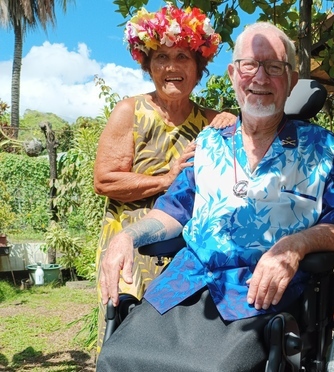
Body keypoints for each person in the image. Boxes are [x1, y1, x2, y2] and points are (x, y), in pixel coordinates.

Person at [97, 21, 334, 372]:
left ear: (291, 78)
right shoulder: (208, 144)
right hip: (183, 286)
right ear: (232, 73)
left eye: (274, 67)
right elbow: (174, 210)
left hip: (259, 295)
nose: (260, 78)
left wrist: (294, 246)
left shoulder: (323, 148)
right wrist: (127, 236)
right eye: (249, 65)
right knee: (117, 357)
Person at [93, 5, 235, 354]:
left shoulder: (212, 120)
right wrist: (167, 179)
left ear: (198, 67)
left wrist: (232, 118)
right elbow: (104, 181)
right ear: (148, 64)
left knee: (178, 342)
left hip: (188, 246)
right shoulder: (130, 111)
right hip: (131, 242)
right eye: (161, 57)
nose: (171, 67)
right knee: (126, 336)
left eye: (182, 56)